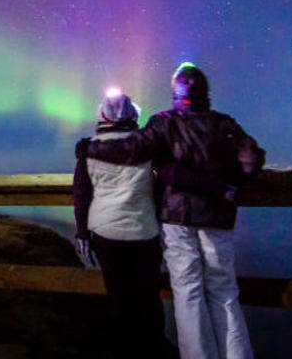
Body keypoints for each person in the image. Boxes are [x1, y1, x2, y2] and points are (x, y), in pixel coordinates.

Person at [77, 63, 266, 359]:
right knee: (224, 292)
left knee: (188, 293)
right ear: (206, 92)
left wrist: (90, 149)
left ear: (175, 93)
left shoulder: (164, 123)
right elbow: (252, 161)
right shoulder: (225, 124)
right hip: (217, 218)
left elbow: (132, 150)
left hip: (177, 218)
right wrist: (229, 186)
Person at [72, 88, 166, 358]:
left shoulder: (88, 149)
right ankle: (154, 349)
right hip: (144, 230)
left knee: (119, 299)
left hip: (106, 232)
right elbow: (159, 189)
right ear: (132, 114)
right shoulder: (148, 146)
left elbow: (81, 194)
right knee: (149, 299)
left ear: (101, 115)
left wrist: (81, 233)